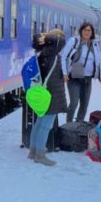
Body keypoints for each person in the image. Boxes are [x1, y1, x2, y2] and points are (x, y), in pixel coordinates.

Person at [27, 32, 68, 166]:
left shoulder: (41, 52)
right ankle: (40, 154)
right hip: (51, 94)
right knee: (45, 126)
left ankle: (33, 151)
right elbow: (61, 41)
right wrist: (49, 36)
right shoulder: (51, 52)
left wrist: (45, 38)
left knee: (39, 123)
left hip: (44, 92)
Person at [60, 21, 101, 123]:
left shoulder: (95, 45)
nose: (87, 32)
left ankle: (79, 124)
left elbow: (100, 60)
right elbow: (63, 57)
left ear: (92, 32)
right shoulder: (74, 41)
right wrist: (64, 73)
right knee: (74, 103)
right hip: (74, 77)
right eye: (85, 30)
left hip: (87, 79)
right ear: (81, 31)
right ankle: (69, 125)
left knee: (84, 104)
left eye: (89, 30)